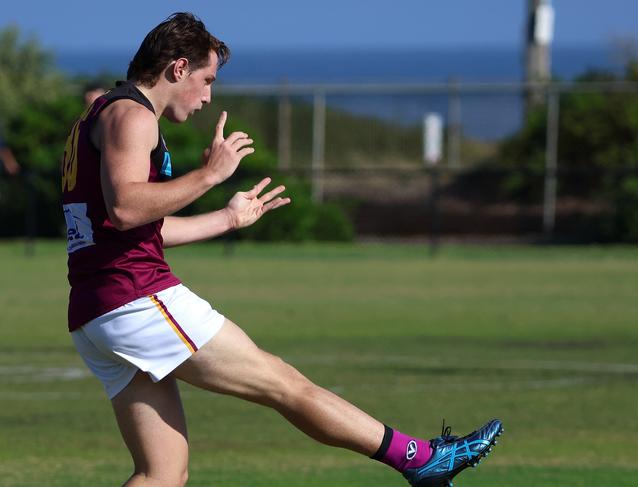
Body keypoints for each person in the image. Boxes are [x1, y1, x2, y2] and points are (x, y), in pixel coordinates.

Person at [61, 12, 502, 487]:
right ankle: (418, 458)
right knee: (285, 385)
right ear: (178, 68)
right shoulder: (132, 115)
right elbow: (126, 208)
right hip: (134, 298)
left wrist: (228, 218)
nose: (209, 96)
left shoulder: (105, 112)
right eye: (207, 80)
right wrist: (210, 175)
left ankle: (419, 461)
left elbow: (138, 227)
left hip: (97, 309)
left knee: (162, 473)